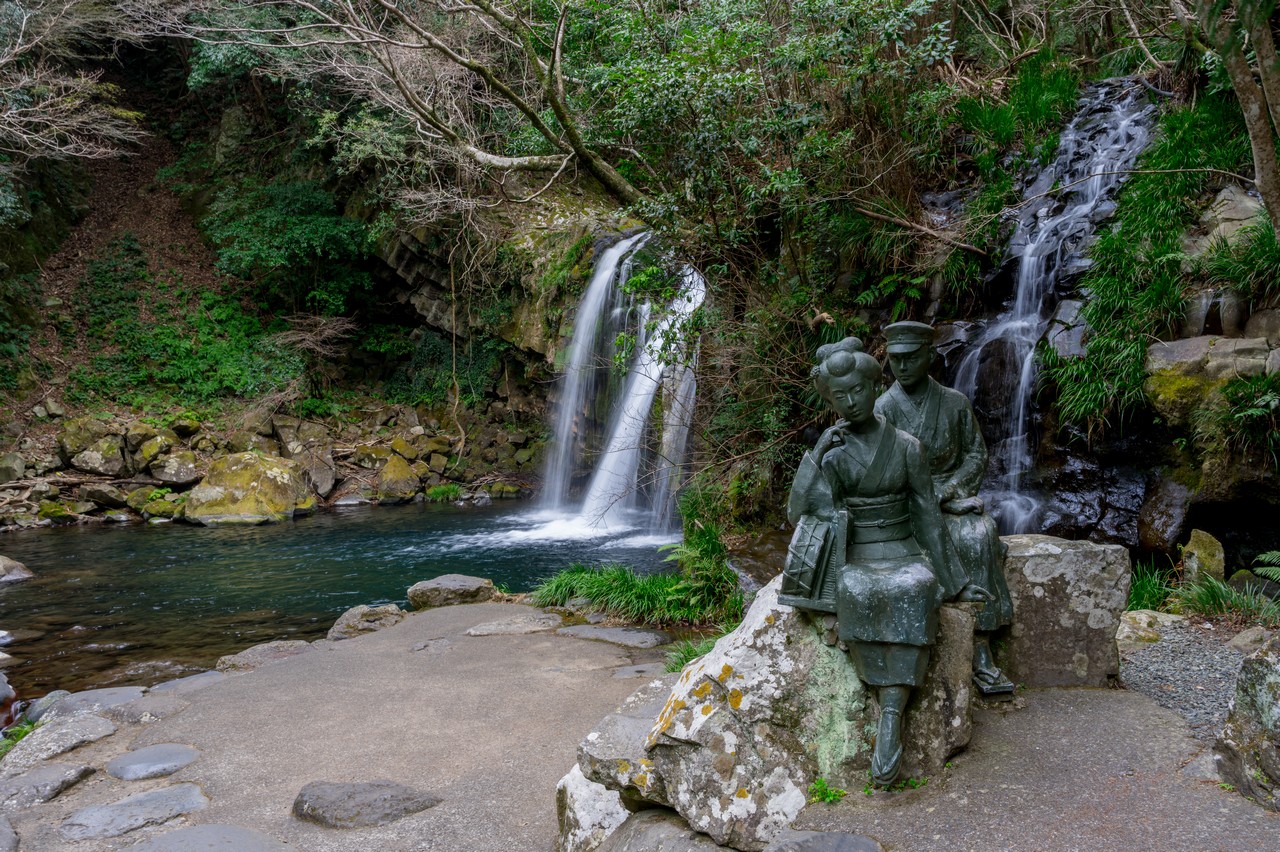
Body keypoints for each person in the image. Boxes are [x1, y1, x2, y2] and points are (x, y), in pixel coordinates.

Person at [783, 337, 967, 786]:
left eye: (858, 391)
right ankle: (886, 700)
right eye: (839, 396)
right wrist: (818, 452)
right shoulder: (836, 450)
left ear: (874, 385)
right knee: (857, 589)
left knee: (914, 587)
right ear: (830, 400)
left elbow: (926, 513)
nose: (851, 402)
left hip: (903, 545)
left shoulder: (906, 446)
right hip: (859, 550)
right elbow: (799, 512)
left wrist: (952, 578)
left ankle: (892, 710)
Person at [875, 321, 1015, 696]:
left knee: (978, 533)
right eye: (895, 359)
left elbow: (975, 453)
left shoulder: (954, 403)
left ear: (929, 357)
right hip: (906, 504)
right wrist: (919, 494)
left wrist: (950, 489)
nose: (902, 367)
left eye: (910, 358)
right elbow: (879, 467)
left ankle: (981, 648)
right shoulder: (882, 409)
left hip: (951, 499)